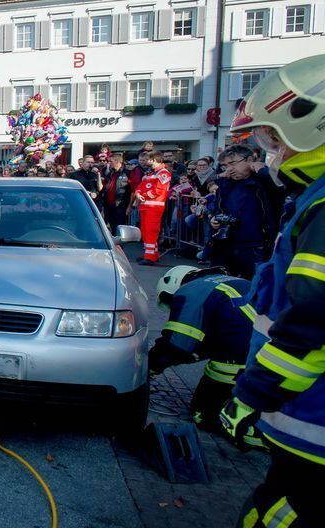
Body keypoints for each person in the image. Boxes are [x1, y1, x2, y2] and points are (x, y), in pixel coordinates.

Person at [215, 54, 325, 528]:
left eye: (272, 138)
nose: (268, 152)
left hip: (310, 414)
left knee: (276, 515)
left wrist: (254, 394)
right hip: (302, 409)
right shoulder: (310, 198)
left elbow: (311, 321)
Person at [150, 266, 261, 444]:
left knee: (202, 414)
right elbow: (228, 331)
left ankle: (254, 430)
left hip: (247, 364)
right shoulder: (229, 283)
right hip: (274, 357)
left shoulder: (190, 291)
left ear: (176, 285)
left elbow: (176, 346)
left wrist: (149, 368)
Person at [210, 144, 284, 279]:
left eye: (233, 163)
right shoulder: (226, 184)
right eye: (225, 166)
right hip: (228, 245)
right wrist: (215, 219)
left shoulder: (263, 182)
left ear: (250, 160)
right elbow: (218, 207)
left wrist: (262, 171)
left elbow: (281, 186)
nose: (230, 169)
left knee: (256, 288)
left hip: (257, 247)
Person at [132, 152, 172, 265]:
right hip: (146, 205)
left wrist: (142, 195)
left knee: (151, 231)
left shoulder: (164, 173)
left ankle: (150, 257)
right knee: (145, 230)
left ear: (154, 160)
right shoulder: (150, 173)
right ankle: (151, 254)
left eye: (148, 159)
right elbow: (141, 185)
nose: (145, 161)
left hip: (154, 206)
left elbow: (158, 191)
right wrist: (138, 193)